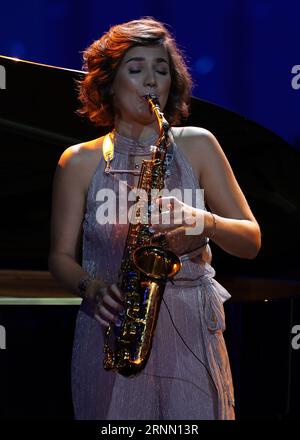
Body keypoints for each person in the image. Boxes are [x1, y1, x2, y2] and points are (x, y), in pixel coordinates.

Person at [48, 17, 261, 420]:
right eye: (137, 68)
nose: (152, 81)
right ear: (109, 84)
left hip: (192, 332)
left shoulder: (199, 145)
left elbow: (251, 240)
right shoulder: (78, 161)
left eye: (161, 70)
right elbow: (58, 257)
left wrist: (203, 220)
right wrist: (91, 286)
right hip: (111, 330)